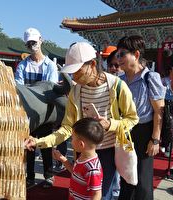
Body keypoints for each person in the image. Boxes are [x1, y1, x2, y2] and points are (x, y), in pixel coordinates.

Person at [24, 42, 139, 199]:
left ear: (92, 64)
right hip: (82, 152)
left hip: (108, 152)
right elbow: (66, 128)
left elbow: (132, 119)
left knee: (103, 195)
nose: (74, 76)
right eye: (72, 73)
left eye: (77, 71)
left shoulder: (117, 86)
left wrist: (111, 124)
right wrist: (38, 142)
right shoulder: (76, 91)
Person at [116, 35, 166, 200]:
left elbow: (159, 111)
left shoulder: (150, 78)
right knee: (126, 175)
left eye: (122, 54)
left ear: (136, 55)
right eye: (117, 55)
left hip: (144, 133)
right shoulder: (120, 80)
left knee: (143, 180)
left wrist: (155, 139)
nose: (118, 58)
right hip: (125, 132)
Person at [16, 28, 59, 188]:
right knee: (29, 145)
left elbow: (51, 88)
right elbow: (18, 87)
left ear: (41, 40)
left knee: (46, 144)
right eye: (29, 43)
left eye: (34, 42)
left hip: (46, 111)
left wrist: (31, 91)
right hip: (28, 111)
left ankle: (48, 175)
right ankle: (30, 176)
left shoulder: (50, 66)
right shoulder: (22, 65)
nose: (32, 45)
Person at [52, 118, 104, 200]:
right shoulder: (83, 156)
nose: (71, 141)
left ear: (81, 144)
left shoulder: (92, 169)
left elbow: (96, 194)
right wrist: (63, 159)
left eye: (72, 138)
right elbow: (75, 172)